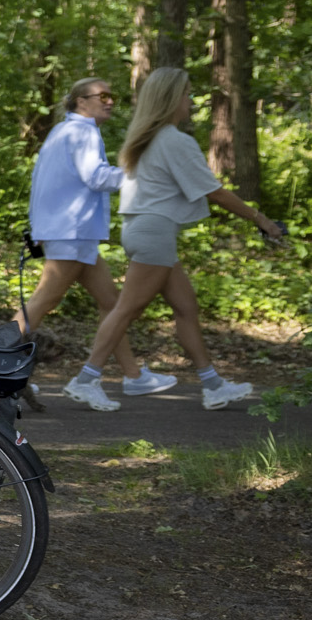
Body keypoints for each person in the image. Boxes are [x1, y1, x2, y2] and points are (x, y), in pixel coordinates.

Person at [66, 67, 289, 412]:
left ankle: (213, 385)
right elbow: (215, 192)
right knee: (127, 309)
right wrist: (262, 221)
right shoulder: (174, 141)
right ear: (172, 99)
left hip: (146, 230)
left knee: (186, 307)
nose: (191, 101)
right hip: (154, 232)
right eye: (186, 94)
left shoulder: (148, 137)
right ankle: (85, 379)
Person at [27, 76, 163, 409]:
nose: (110, 101)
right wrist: (141, 174)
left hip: (71, 231)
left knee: (111, 303)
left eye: (111, 95)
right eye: (102, 96)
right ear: (81, 101)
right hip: (71, 231)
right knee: (43, 302)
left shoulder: (63, 131)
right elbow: (97, 177)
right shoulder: (83, 131)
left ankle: (133, 376)